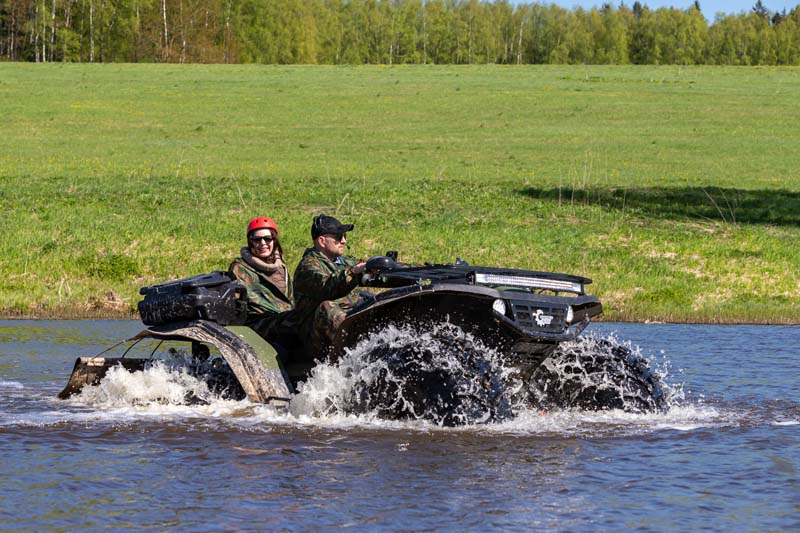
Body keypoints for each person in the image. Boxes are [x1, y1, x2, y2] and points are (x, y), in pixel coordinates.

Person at [293, 214, 367, 359]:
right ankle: (361, 354)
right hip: (316, 338)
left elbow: (371, 269)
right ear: (322, 241)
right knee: (327, 307)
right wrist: (355, 272)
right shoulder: (308, 266)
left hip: (344, 329)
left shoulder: (345, 262)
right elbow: (328, 285)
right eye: (339, 237)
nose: (344, 241)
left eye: (344, 236)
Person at [229, 216, 294, 343]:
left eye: (268, 239)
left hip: (285, 319)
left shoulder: (281, 267)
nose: (263, 243)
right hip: (258, 324)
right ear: (250, 241)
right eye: (257, 240)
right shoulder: (239, 268)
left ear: (274, 240)